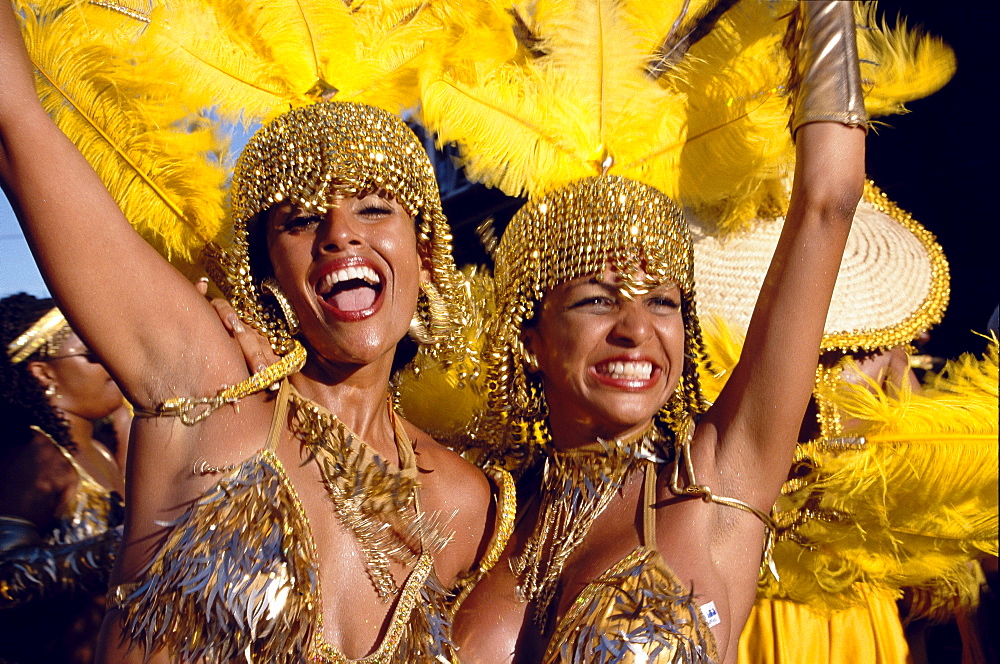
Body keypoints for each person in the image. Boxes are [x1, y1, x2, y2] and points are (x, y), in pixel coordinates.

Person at [0, 3, 512, 663]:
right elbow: (16, 124)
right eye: (299, 220)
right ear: (265, 266)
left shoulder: (465, 500)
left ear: (427, 252)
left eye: (374, 207)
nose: (340, 233)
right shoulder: (207, 394)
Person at [408, 1, 868, 662]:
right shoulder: (483, 512)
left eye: (662, 303)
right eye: (596, 302)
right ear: (531, 339)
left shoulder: (715, 484)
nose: (636, 331)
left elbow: (828, 201)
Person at [0, 293, 126, 664]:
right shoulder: (35, 456)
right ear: (43, 373)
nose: (110, 362)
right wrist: (118, 549)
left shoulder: (103, 449)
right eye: (91, 354)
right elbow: (5, 575)